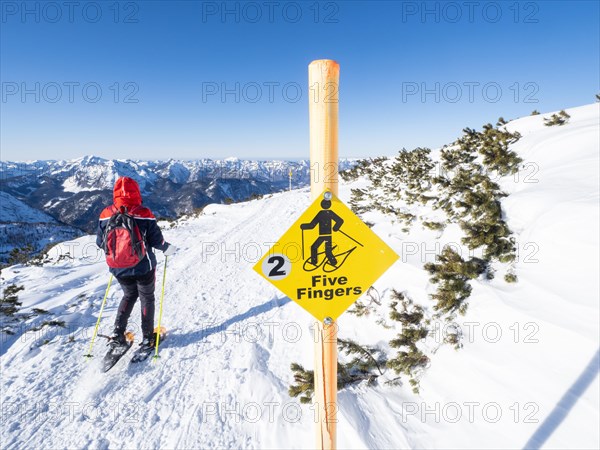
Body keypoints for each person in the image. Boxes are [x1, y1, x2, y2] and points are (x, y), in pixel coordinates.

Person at [96, 176, 177, 350]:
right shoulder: (144, 213)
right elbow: (157, 241)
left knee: (129, 295)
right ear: (136, 192)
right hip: (143, 266)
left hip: (118, 268)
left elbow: (99, 242)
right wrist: (168, 249)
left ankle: (118, 334)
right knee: (147, 298)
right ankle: (148, 338)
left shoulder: (105, 214)